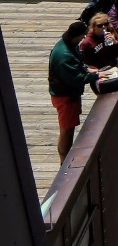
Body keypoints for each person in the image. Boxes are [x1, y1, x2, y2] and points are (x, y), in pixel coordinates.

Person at [48, 22, 90, 161]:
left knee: (69, 128)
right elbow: (76, 78)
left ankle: (65, 158)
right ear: (77, 36)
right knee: (66, 130)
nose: (84, 38)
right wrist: (97, 76)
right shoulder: (64, 55)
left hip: (69, 95)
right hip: (65, 98)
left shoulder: (69, 45)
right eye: (83, 35)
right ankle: (63, 161)